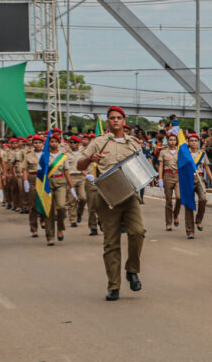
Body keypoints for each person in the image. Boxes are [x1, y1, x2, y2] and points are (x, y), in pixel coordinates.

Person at [77, 107, 146, 301]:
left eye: (119, 118)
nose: (115, 120)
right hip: (107, 198)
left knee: (138, 232)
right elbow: (80, 165)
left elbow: (142, 167)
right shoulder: (99, 142)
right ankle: (114, 285)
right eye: (112, 118)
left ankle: (132, 270)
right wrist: (90, 159)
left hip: (130, 195)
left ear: (124, 121)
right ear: (107, 122)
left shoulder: (133, 143)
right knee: (111, 243)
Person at [183, 132, 209, 237]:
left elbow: (206, 167)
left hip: (200, 179)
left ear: (198, 142)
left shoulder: (202, 154)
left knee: (203, 199)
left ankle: (198, 220)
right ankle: (190, 231)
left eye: (195, 141)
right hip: (188, 179)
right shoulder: (185, 154)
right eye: (191, 141)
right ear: (188, 142)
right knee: (189, 205)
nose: (193, 142)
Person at [158, 132, 182, 231]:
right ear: (167, 141)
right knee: (168, 201)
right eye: (171, 140)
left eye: (174, 140)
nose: (172, 142)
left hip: (178, 175)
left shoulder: (180, 151)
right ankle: (168, 223)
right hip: (167, 175)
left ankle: (175, 214)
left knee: (179, 197)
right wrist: (160, 178)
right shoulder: (163, 152)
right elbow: (161, 166)